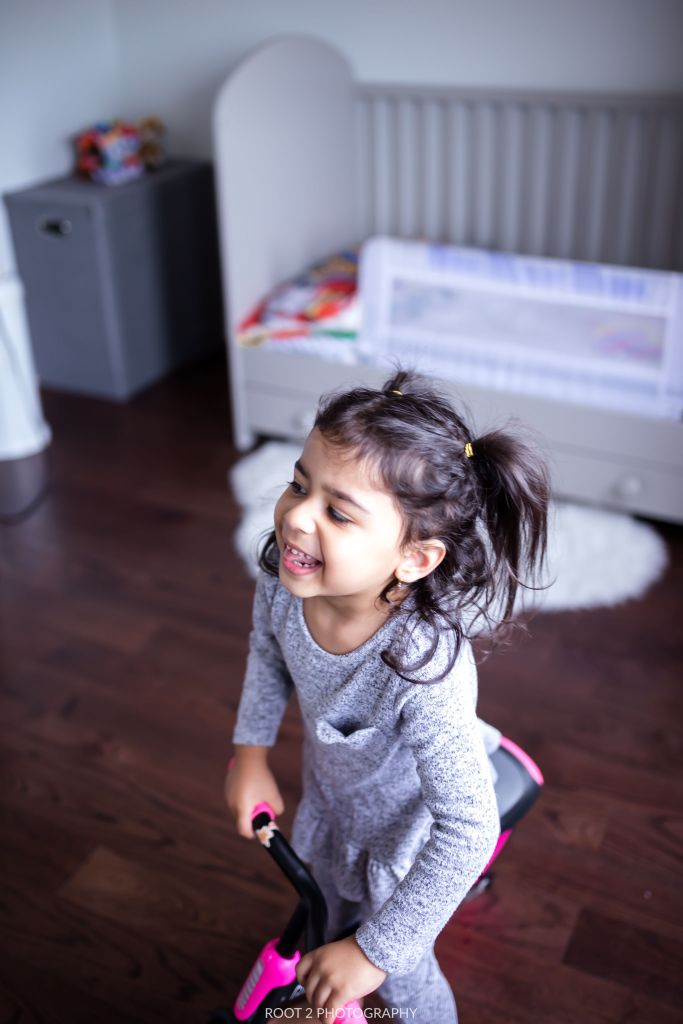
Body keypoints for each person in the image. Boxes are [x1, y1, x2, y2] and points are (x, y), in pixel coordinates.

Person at [225, 368, 550, 1023]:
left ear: (414, 558)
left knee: (401, 980)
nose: (295, 517)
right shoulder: (284, 581)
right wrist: (251, 753)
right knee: (323, 930)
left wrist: (375, 953)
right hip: (336, 804)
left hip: (409, 839)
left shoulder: (426, 668)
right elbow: (267, 654)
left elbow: (467, 829)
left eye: (338, 512)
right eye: (299, 485)